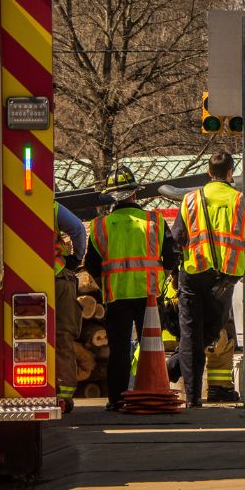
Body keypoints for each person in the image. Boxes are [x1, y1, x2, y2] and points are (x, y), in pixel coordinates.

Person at [84, 165, 177, 410]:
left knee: (120, 350)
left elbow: (91, 265)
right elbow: (171, 257)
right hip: (149, 295)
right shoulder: (154, 221)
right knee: (152, 348)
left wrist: (108, 282)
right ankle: (152, 394)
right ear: (135, 194)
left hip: (116, 296)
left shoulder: (100, 226)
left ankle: (117, 400)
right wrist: (161, 278)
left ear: (111, 197)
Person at [169, 151, 245, 407]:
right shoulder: (239, 200)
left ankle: (191, 396)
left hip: (192, 273)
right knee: (213, 330)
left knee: (190, 334)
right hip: (223, 278)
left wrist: (173, 274)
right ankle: (173, 369)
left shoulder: (190, 200)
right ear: (230, 172)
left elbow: (177, 238)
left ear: (209, 173)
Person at [54, 201, 87, 413]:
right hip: (57, 276)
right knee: (62, 336)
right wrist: (76, 258)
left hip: (14, 282)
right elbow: (77, 228)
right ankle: (63, 396)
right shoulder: (50, 205)